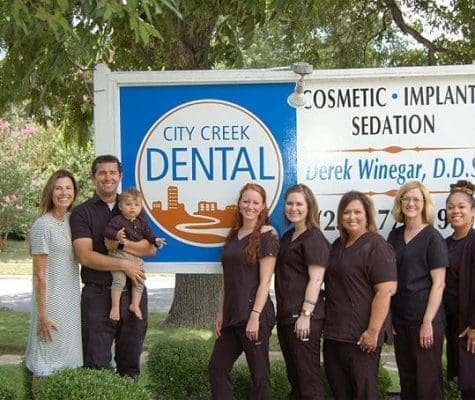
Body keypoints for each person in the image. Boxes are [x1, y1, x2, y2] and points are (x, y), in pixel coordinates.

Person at [70, 154, 156, 378]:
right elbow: (85, 256)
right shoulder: (82, 212)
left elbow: (151, 248)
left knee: (130, 366)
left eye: (113, 172)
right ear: (93, 177)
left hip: (133, 293)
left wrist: (122, 244)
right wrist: (124, 264)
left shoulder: (131, 206)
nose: (108, 177)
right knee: (96, 365)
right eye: (102, 172)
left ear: (120, 176)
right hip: (97, 294)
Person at [323, 190, 397, 400]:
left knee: (364, 393)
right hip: (335, 334)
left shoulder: (376, 246)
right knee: (340, 392)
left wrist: (373, 331)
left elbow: (385, 291)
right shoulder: (337, 245)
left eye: (357, 212)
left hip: (362, 336)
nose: (351, 217)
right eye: (346, 212)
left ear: (367, 215)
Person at [208, 183, 279, 399]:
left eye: (255, 202)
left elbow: (265, 281)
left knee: (259, 377)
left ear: (263, 206)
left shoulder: (268, 236)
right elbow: (226, 280)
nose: (250, 206)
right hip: (231, 316)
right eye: (246, 201)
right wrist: (220, 313)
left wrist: (255, 316)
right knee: (217, 368)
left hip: (254, 316)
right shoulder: (233, 236)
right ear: (239, 204)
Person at [388, 180, 448, 400]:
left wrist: (427, 322)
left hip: (426, 321)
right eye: (406, 199)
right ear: (400, 202)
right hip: (400, 321)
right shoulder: (394, 236)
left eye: (416, 199)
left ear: (424, 204)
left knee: (427, 384)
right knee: (408, 381)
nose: (411, 203)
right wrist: (390, 319)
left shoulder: (433, 237)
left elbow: (439, 283)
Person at [25, 170, 83, 388]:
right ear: (51, 191)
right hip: (51, 304)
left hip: (71, 301)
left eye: (68, 188)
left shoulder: (72, 220)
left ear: (74, 192)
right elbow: (39, 274)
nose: (64, 193)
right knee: (46, 361)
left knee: (68, 360)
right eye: (59, 188)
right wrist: (43, 314)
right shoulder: (43, 225)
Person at [274, 184, 330, 399]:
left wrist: (306, 315)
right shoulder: (288, 237)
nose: (293, 208)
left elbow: (316, 279)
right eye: (289, 203)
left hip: (305, 319)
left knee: (308, 379)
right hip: (287, 316)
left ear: (309, 207)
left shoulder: (313, 238)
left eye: (299, 204)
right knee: (295, 376)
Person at [104, 187, 165, 321]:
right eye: (129, 204)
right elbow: (107, 231)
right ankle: (115, 307)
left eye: (136, 205)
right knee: (119, 280)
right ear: (120, 206)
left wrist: (155, 240)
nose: (133, 208)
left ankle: (135, 305)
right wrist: (116, 234)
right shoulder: (117, 220)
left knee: (140, 280)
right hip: (118, 255)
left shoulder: (142, 221)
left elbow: (148, 234)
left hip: (134, 257)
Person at [443, 180, 475, 400]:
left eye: (461, 206)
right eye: (451, 207)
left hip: (471, 326)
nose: (456, 211)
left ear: (472, 211)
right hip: (455, 325)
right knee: (466, 385)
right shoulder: (443, 243)